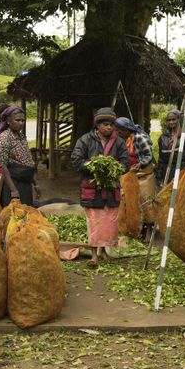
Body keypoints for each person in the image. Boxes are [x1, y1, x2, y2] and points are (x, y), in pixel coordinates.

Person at [70, 107, 130, 267]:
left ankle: (104, 251)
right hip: (91, 188)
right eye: (105, 124)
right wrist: (94, 167)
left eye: (111, 124)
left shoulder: (119, 142)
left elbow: (126, 162)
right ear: (97, 125)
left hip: (111, 189)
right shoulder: (85, 140)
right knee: (94, 221)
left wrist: (112, 168)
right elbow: (76, 159)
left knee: (109, 220)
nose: (109, 127)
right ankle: (94, 255)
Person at [0, 106, 40, 207]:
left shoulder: (22, 137)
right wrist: (13, 190)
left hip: (25, 182)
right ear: (8, 121)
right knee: (14, 217)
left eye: (23, 120)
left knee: (27, 215)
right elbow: (3, 166)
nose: (21, 123)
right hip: (13, 183)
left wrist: (35, 184)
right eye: (17, 120)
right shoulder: (4, 138)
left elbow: (28, 162)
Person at [155, 109, 185, 185]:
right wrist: (159, 175)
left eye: (173, 119)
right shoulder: (163, 137)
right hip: (167, 171)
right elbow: (161, 158)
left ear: (179, 119)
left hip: (182, 170)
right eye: (169, 120)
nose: (171, 122)